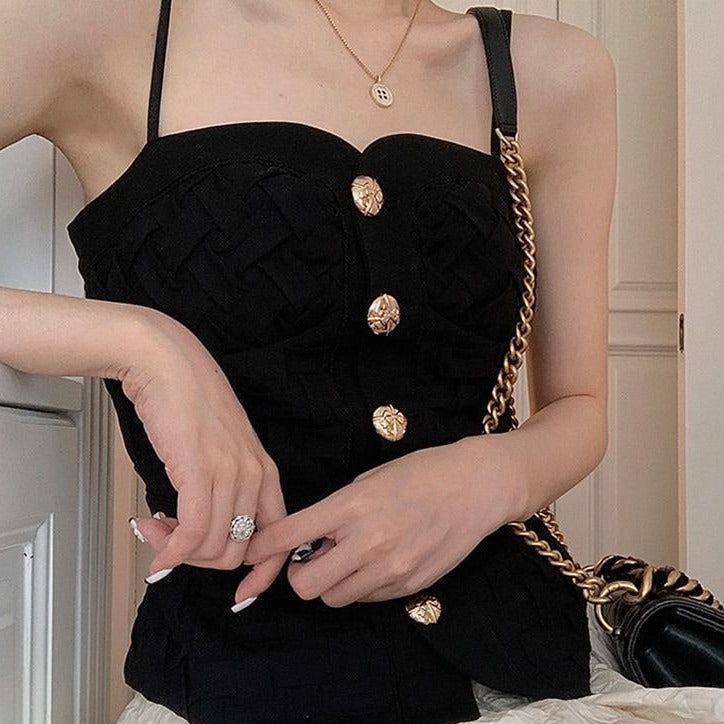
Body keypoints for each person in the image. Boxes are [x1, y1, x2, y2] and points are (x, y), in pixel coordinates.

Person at [0, 1, 618, 722]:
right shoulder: (101, 24)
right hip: (241, 682)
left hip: (531, 674)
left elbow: (580, 407)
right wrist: (144, 345)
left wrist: (487, 479)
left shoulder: (550, 70)